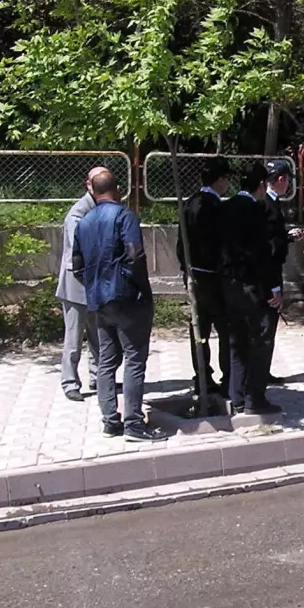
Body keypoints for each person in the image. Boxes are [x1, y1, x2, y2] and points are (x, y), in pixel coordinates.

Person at [71, 170, 166, 441]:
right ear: (118, 189)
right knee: (135, 360)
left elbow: (76, 265)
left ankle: (110, 421)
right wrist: (144, 291)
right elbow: (135, 256)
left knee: (106, 362)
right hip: (127, 300)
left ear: (94, 191)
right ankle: (134, 424)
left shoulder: (84, 222)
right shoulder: (125, 217)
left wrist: (93, 285)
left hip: (99, 302)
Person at [218, 165, 283, 415]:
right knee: (258, 341)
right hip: (250, 284)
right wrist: (273, 289)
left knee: (236, 341)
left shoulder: (225, 207)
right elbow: (261, 254)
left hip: (228, 282)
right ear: (260, 186)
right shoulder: (255, 211)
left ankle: (236, 397)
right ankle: (255, 398)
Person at [176, 159, 231, 397]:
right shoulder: (216, 207)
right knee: (226, 329)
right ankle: (229, 378)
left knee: (200, 331)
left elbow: (181, 243)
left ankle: (202, 376)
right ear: (220, 180)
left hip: (194, 275)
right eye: (227, 179)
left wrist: (186, 269)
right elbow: (223, 245)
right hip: (215, 277)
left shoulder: (189, 203)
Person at [260, 160, 304, 386]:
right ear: (280, 180)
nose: (288, 185)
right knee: (266, 327)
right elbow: (269, 247)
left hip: (265, 273)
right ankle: (259, 374)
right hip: (269, 275)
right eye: (287, 180)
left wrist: (287, 236)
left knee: (265, 328)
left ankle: (262, 371)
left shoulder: (266, 202)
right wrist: (275, 288)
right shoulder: (269, 205)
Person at [56, 168, 100, 402]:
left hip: (93, 285)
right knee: (74, 338)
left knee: (98, 337)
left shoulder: (98, 209)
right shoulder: (77, 215)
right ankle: (70, 382)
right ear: (88, 186)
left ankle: (98, 377)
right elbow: (77, 255)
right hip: (76, 287)